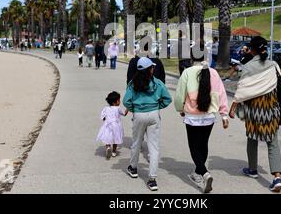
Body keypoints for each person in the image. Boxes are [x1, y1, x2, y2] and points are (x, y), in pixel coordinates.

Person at [229, 36, 281, 193]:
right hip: (271, 108)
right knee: (272, 142)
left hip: (254, 109)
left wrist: (233, 106)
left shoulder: (247, 67)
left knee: (252, 138)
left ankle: (252, 169)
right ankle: (277, 177)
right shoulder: (273, 65)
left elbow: (243, 90)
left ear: (252, 50)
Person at [174, 45, 229, 194]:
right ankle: (198, 173)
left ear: (191, 57)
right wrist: (224, 114)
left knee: (194, 146)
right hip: (209, 116)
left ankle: (204, 173)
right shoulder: (213, 73)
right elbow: (221, 93)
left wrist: (180, 108)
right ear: (206, 56)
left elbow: (180, 95)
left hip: (192, 116)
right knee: (203, 144)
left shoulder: (187, 72)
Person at [123, 57, 172, 192]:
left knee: (136, 142)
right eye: (152, 67)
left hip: (138, 114)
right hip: (154, 114)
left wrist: (134, 109)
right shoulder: (157, 83)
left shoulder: (133, 84)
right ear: (150, 70)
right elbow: (168, 99)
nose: (153, 69)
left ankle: (133, 168)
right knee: (154, 147)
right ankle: (152, 179)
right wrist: (158, 106)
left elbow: (126, 101)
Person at [97, 91, 128, 159]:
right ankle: (114, 152)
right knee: (115, 139)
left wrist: (107, 119)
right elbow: (124, 114)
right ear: (116, 101)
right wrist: (127, 109)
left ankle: (108, 147)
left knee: (108, 137)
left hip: (108, 125)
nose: (119, 102)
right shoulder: (118, 108)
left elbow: (103, 117)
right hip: (116, 125)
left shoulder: (106, 108)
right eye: (119, 100)